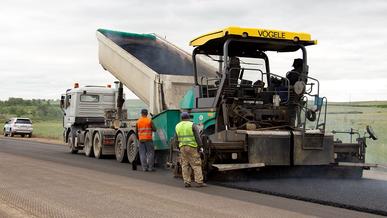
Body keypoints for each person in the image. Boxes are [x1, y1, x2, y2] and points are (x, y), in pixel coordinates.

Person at [175, 112, 207, 188]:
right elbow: (197, 136)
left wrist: (178, 147)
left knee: (185, 164)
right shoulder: (192, 125)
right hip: (192, 147)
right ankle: (199, 182)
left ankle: (187, 182)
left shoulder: (177, 126)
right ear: (188, 117)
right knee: (196, 164)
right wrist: (201, 146)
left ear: (181, 118)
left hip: (182, 147)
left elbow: (176, 139)